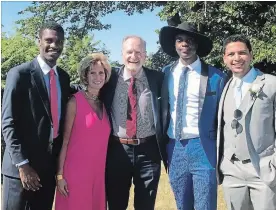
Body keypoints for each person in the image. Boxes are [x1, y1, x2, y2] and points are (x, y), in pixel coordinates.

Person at [1, 21, 71, 210]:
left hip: (47, 171)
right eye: (49, 40)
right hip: (20, 172)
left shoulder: (64, 78)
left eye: (59, 41)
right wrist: (23, 165)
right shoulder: (20, 74)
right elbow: (7, 123)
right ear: (38, 41)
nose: (54, 45)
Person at [159, 22, 228, 210]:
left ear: (196, 44)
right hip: (174, 146)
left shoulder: (216, 76)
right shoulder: (165, 74)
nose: (184, 44)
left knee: (205, 204)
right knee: (182, 203)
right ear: (174, 44)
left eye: (189, 40)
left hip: (203, 146)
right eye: (179, 40)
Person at [101, 35, 166, 210]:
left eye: (138, 52)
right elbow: (87, 87)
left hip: (149, 152)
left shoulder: (158, 79)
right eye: (129, 52)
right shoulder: (109, 78)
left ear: (145, 55)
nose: (133, 56)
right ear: (122, 54)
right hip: (117, 151)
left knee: (146, 204)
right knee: (116, 203)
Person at [217, 34, 276, 210]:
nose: (237, 58)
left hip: (263, 169)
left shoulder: (271, 84)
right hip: (231, 170)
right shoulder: (223, 86)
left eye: (242, 53)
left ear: (251, 54)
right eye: (231, 54)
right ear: (224, 59)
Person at [55, 53, 111, 210]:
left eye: (101, 72)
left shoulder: (106, 104)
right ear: (85, 75)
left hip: (98, 176)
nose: (97, 77)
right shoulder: (74, 102)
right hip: (75, 175)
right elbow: (64, 141)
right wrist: (60, 176)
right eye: (92, 72)